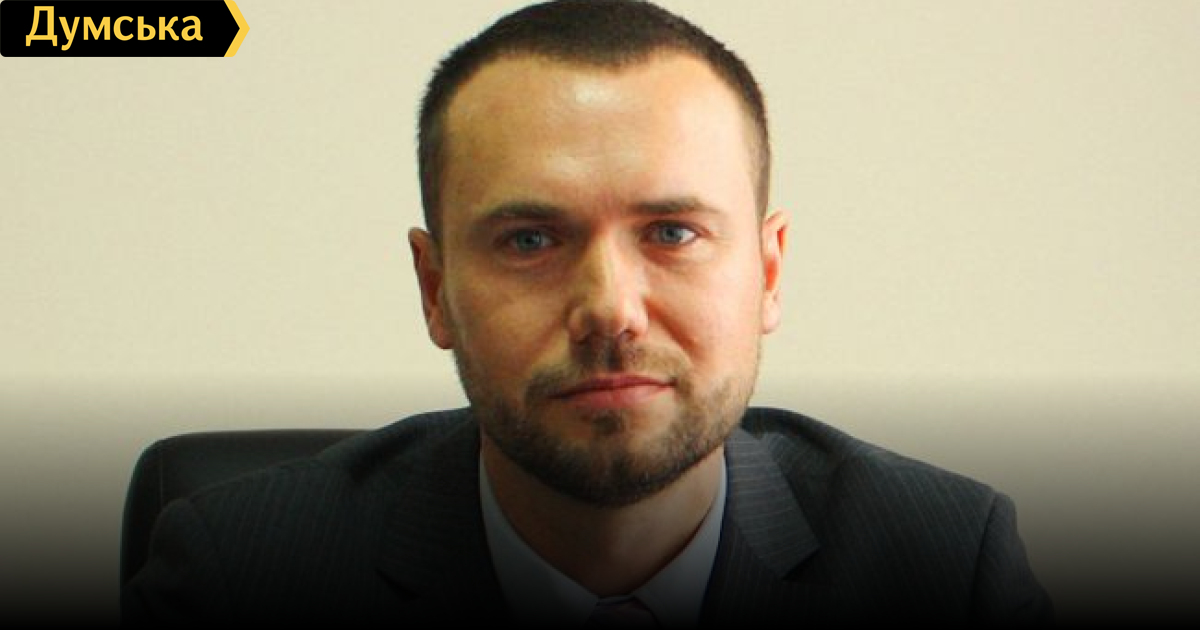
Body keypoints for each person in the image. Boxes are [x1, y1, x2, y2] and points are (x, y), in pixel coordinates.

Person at [121, 0, 1054, 625]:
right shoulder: (240, 574)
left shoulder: (943, 566)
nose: (611, 311)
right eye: (530, 239)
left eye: (673, 233)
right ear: (435, 289)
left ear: (769, 272)